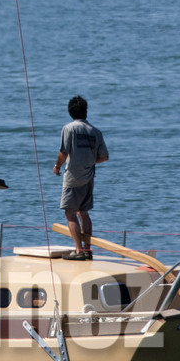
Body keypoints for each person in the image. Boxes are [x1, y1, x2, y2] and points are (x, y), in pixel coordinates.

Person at [52, 95, 108, 260]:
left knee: (70, 213)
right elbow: (104, 157)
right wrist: (89, 162)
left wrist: (57, 167)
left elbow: (63, 152)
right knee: (83, 212)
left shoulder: (69, 128)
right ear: (85, 112)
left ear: (70, 112)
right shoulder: (95, 131)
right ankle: (87, 249)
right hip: (89, 177)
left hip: (73, 177)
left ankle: (78, 251)